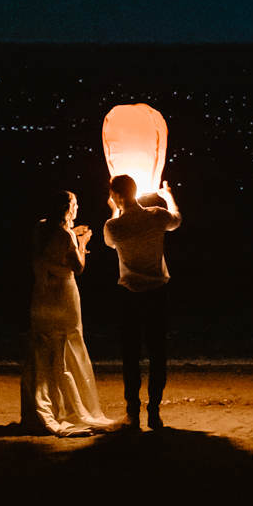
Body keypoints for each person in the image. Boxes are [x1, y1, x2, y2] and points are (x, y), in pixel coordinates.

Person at [20, 190, 117, 436]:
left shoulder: (41, 227)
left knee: (43, 347)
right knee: (68, 344)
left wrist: (73, 236)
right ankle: (71, 408)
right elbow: (78, 267)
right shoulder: (65, 236)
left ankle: (43, 405)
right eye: (74, 204)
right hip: (63, 294)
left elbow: (47, 253)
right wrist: (82, 243)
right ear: (68, 208)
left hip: (42, 295)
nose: (77, 208)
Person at [103, 174, 181, 429]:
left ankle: (133, 412)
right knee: (158, 353)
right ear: (136, 192)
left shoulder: (113, 226)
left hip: (129, 295)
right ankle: (154, 411)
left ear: (116, 195)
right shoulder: (156, 215)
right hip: (157, 292)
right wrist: (168, 197)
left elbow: (109, 242)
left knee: (130, 355)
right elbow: (177, 220)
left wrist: (115, 210)